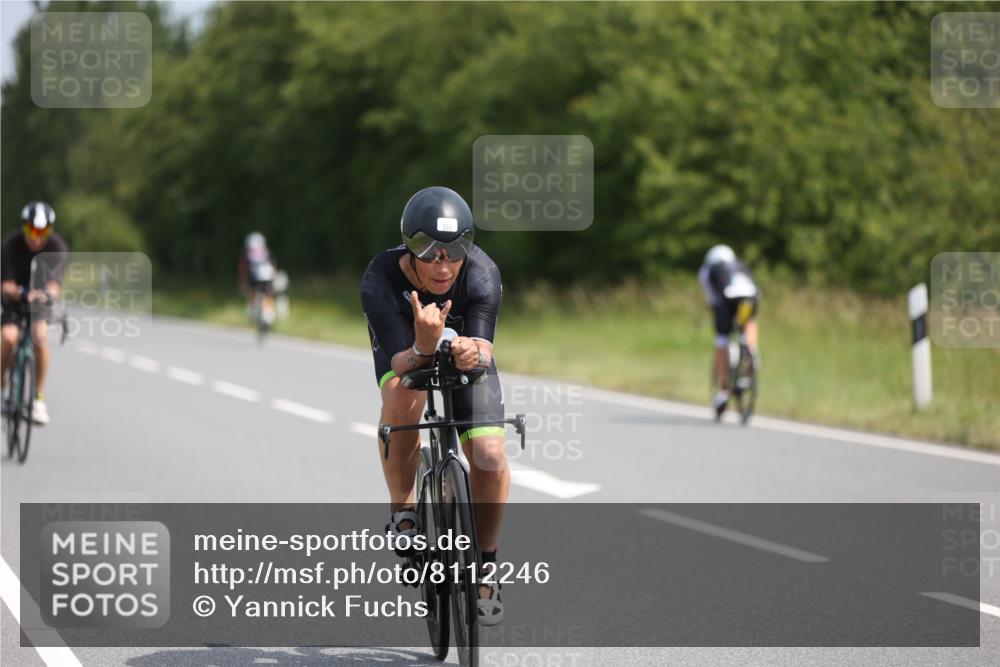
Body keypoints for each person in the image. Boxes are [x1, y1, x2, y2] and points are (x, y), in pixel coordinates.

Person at [360, 186, 508, 625]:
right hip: (407, 351)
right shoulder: (382, 277)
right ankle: (403, 508)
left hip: (463, 353)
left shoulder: (482, 272)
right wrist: (424, 344)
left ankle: (486, 565)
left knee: (490, 455)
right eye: (429, 253)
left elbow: (485, 346)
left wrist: (472, 353)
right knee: (404, 395)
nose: (443, 266)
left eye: (454, 251)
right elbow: (399, 363)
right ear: (409, 247)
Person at [1, 201, 68, 425]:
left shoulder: (56, 247)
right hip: (15, 297)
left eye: (43, 232)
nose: (36, 237)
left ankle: (39, 398)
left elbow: (54, 285)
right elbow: (6, 285)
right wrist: (21, 293)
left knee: (40, 336)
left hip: (40, 298)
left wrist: (46, 294)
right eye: (32, 230)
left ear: (50, 231)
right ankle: (2, 386)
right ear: (24, 228)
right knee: (9, 337)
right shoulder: (10, 244)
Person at [698, 244, 759, 417]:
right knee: (749, 322)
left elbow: (713, 299)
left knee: (722, 340)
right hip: (749, 299)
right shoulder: (740, 265)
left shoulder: (708, 269)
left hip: (726, 301)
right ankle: (752, 351)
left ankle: (724, 390)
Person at [238, 232, 277, 327]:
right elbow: (273, 264)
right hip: (267, 277)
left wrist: (243, 282)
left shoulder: (247, 254)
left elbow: (243, 268)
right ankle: (268, 317)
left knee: (252, 293)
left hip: (254, 278)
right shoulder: (267, 251)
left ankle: (254, 312)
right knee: (268, 295)